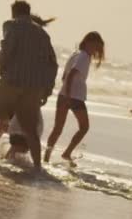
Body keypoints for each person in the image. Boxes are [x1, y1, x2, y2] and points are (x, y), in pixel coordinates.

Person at [0, 0, 58, 171]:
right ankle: (37, 168)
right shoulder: (43, 34)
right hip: (34, 89)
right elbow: (52, 64)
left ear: (14, 12)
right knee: (30, 131)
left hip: (12, 82)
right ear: (28, 12)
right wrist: (47, 90)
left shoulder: (12, 25)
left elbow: (8, 48)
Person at [45, 31, 105, 166]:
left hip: (64, 95)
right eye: (96, 46)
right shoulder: (84, 57)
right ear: (89, 42)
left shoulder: (76, 54)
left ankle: (46, 158)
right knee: (84, 127)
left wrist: (65, 92)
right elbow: (71, 74)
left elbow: (64, 76)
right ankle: (67, 153)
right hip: (75, 97)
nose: (97, 50)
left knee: (58, 128)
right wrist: (68, 94)